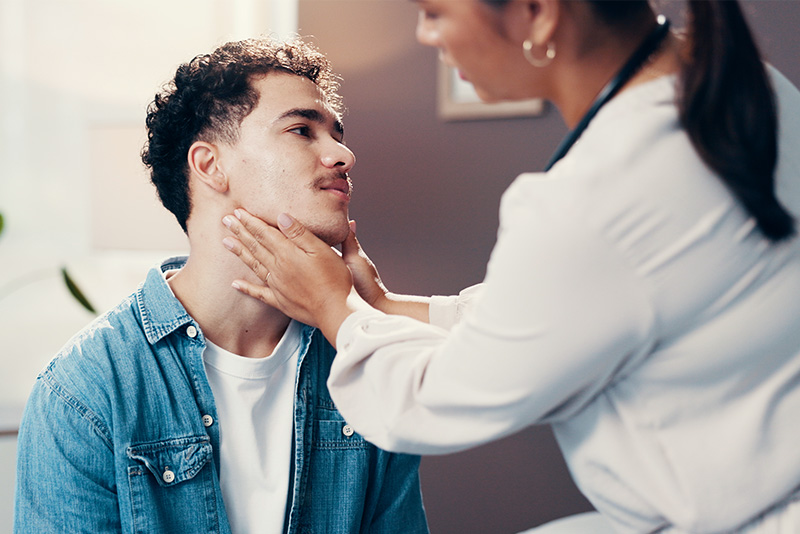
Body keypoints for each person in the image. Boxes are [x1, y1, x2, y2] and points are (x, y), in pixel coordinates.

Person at [219, 1, 800, 533]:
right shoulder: (752, 90)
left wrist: (334, 307)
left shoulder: (598, 197)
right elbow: (564, 308)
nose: (424, 34)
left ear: (538, 13)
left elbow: (433, 399)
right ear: (209, 165)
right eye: (300, 130)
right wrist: (381, 307)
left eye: (436, 13)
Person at [13, 37, 428, 534]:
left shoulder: (366, 361)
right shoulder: (84, 392)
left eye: (337, 134)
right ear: (210, 166)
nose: (344, 154)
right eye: (301, 130)